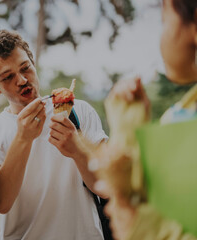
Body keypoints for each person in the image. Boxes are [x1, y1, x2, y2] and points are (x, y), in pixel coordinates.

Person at [0, 29, 108, 240]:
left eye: (25, 68)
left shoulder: (80, 111)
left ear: (33, 62)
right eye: (8, 77)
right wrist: (23, 138)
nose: (21, 80)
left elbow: (108, 186)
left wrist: (77, 151)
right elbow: (1, 203)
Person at [99, 0, 197, 239]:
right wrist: (129, 130)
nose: (161, 37)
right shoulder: (182, 112)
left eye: (164, 21)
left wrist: (139, 225)